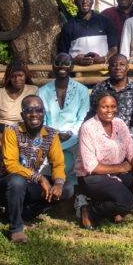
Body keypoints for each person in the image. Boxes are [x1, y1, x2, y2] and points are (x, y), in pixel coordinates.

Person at [0, 95, 66, 243]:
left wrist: (58, 183)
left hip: (29, 186)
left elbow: (58, 164)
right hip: (4, 186)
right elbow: (11, 165)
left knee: (67, 188)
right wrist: (39, 178)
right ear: (22, 115)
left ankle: (23, 214)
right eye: (28, 110)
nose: (34, 114)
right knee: (17, 181)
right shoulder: (12, 131)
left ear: (44, 112)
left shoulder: (51, 134)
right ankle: (16, 229)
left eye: (38, 110)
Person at [75, 91, 133, 229]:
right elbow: (91, 167)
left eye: (113, 106)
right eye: (105, 107)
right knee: (127, 202)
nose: (110, 110)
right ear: (96, 107)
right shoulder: (88, 128)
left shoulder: (120, 124)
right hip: (92, 177)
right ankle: (88, 210)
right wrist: (121, 168)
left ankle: (112, 208)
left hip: (116, 173)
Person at [38, 53, 90, 192]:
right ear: (53, 66)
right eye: (58, 63)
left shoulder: (82, 90)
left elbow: (82, 118)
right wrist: (53, 134)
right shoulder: (42, 91)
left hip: (74, 136)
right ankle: (59, 185)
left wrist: (70, 133)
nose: (62, 66)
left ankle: (72, 188)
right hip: (48, 136)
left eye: (67, 63)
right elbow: (40, 120)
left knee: (81, 149)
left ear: (72, 66)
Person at [89, 54, 133, 143]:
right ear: (109, 68)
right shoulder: (99, 88)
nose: (118, 68)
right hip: (102, 136)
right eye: (113, 65)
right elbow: (92, 114)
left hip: (129, 137)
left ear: (127, 68)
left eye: (122, 64)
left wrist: (125, 137)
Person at [0, 58, 39, 149]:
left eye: (20, 75)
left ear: (25, 76)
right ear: (9, 77)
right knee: (1, 151)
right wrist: (1, 136)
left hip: (23, 131)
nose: (17, 79)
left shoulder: (33, 90)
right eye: (13, 76)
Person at [58, 0, 118, 66]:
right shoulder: (69, 26)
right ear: (75, 2)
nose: (84, 1)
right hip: (78, 72)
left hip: (103, 72)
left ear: (92, 1)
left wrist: (103, 59)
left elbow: (114, 49)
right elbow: (63, 54)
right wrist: (75, 61)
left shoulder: (105, 21)